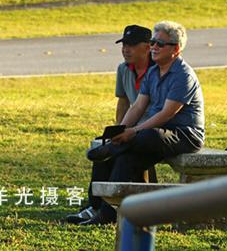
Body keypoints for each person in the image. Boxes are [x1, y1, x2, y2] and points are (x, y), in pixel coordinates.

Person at [81, 20, 205, 225]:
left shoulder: (183, 75)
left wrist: (133, 132)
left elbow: (167, 114)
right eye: (153, 42)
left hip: (184, 135)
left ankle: (112, 151)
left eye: (160, 44)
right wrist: (121, 131)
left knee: (146, 136)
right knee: (123, 156)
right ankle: (102, 211)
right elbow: (137, 107)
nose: (154, 47)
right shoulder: (153, 72)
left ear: (176, 49)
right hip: (155, 133)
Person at [64, 24, 153, 225]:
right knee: (102, 147)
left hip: (150, 130)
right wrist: (118, 128)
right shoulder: (123, 69)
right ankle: (95, 205)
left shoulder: (157, 70)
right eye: (123, 45)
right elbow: (123, 101)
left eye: (131, 45)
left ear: (147, 47)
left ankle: (108, 210)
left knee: (119, 154)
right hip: (131, 127)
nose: (125, 49)